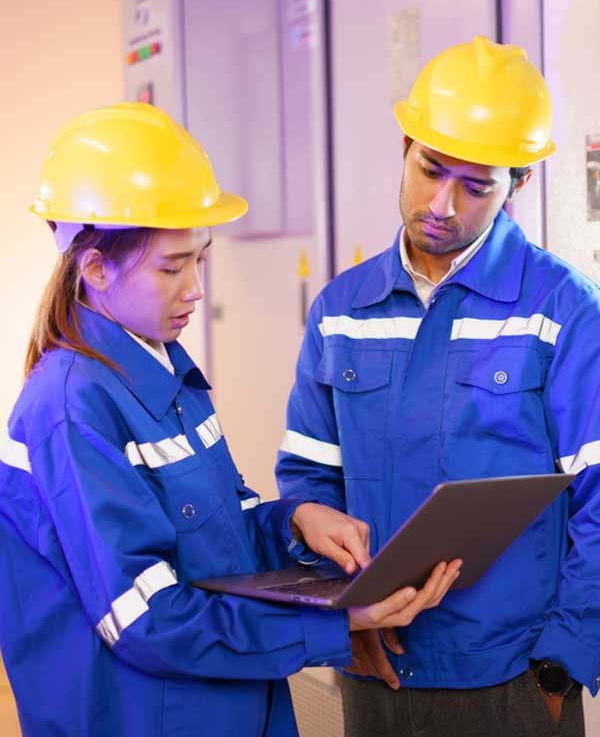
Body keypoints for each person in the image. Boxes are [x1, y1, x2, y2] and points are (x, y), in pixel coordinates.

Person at [0, 103, 461, 736]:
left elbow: (220, 535)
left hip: (232, 709)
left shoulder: (167, 372)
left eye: (200, 260)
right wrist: (338, 622)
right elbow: (146, 621)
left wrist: (294, 520)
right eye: (171, 267)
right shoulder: (72, 405)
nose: (194, 288)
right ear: (97, 269)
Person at [276, 36, 600, 737]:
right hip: (374, 667)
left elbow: (598, 497)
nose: (441, 203)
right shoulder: (342, 310)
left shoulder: (561, 309)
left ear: (519, 183)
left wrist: (559, 668)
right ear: (405, 145)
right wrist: (343, 616)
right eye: (429, 169)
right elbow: (308, 483)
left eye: (476, 185)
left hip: (511, 678)